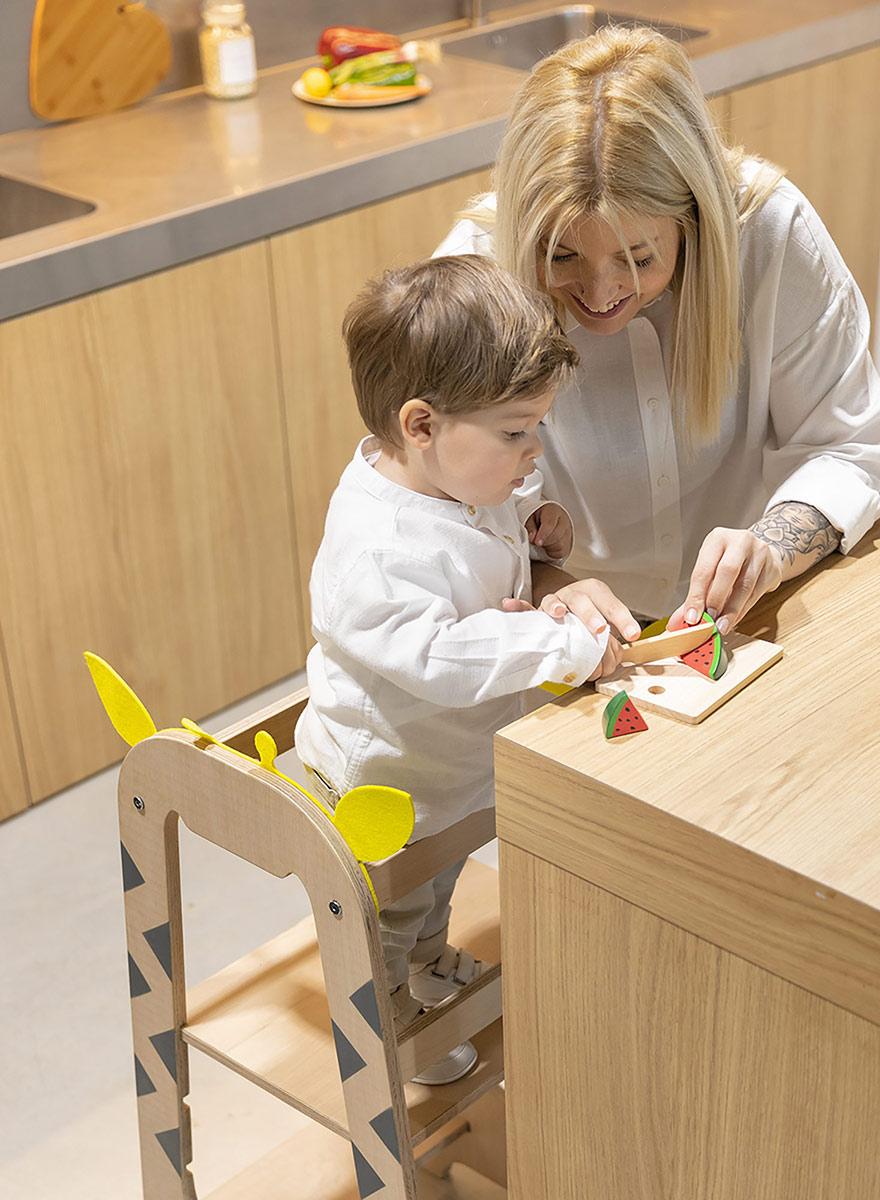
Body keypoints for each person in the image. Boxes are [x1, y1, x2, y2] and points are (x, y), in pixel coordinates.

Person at [436, 25, 880, 645]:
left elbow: (848, 446)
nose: (601, 297)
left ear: (694, 216)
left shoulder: (769, 235)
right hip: (555, 626)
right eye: (563, 258)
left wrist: (767, 550)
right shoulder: (477, 278)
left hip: (753, 611)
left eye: (637, 259)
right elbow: (444, 508)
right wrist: (553, 584)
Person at [294, 255, 614, 1084]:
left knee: (436, 886)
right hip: (385, 783)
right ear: (422, 425)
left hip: (445, 768)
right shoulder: (379, 546)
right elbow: (434, 655)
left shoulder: (450, 477)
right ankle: (382, 1028)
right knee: (389, 910)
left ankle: (429, 968)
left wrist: (532, 532)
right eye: (515, 433)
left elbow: (482, 537)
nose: (531, 449)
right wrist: (555, 647)